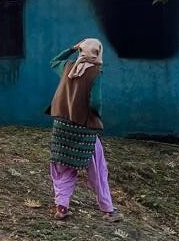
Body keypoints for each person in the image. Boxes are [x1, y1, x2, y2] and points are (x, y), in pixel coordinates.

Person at [45, 38, 121, 222]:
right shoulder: (95, 72)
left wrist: (72, 48)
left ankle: (61, 208)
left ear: (81, 50)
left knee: (62, 168)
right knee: (97, 168)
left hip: (62, 126)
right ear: (97, 53)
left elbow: (53, 61)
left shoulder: (68, 67)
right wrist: (96, 115)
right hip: (84, 129)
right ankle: (108, 210)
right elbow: (95, 103)